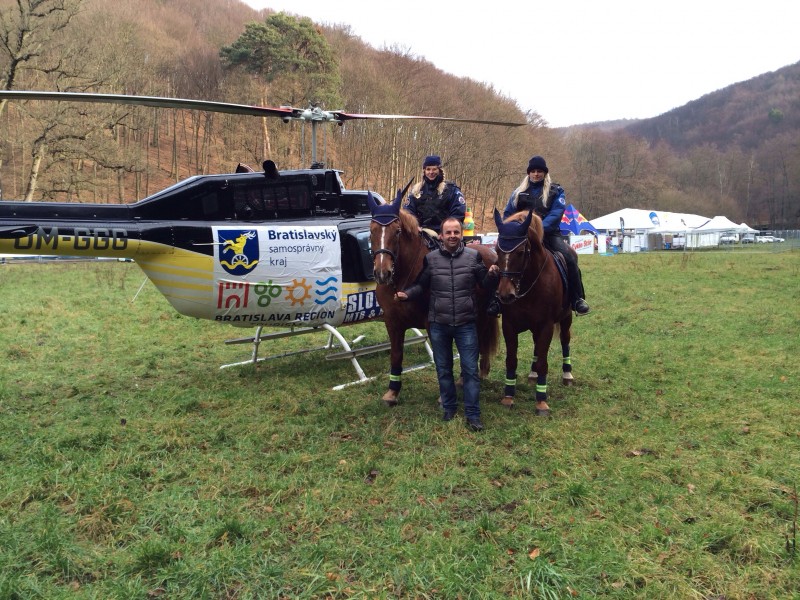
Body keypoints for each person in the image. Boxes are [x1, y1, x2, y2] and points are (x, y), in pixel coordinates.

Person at [395, 217, 499, 431]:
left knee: (470, 370)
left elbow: (484, 284)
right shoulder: (431, 259)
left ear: (461, 235)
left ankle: (473, 414)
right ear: (440, 236)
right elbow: (421, 285)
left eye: (456, 232)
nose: (452, 236)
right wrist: (407, 294)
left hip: (466, 324)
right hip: (439, 324)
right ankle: (449, 409)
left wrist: (492, 276)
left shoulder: (473, 257)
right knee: (443, 370)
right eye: (448, 232)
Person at [502, 155, 590, 315]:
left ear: (545, 173)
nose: (536, 174)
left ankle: (577, 299)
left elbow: (557, 213)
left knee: (569, 258)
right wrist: (514, 229)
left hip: (549, 235)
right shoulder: (518, 193)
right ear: (528, 173)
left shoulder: (556, 191)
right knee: (501, 259)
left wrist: (537, 230)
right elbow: (508, 214)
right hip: (522, 237)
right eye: (533, 171)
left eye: (539, 171)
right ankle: (495, 300)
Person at [404, 155, 466, 247]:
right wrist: (414, 226)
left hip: (445, 235)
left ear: (439, 170)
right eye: (428, 169)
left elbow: (458, 212)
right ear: (424, 171)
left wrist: (446, 231)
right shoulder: (416, 190)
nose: (431, 172)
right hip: (420, 232)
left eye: (434, 169)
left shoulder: (451, 190)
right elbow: (408, 211)